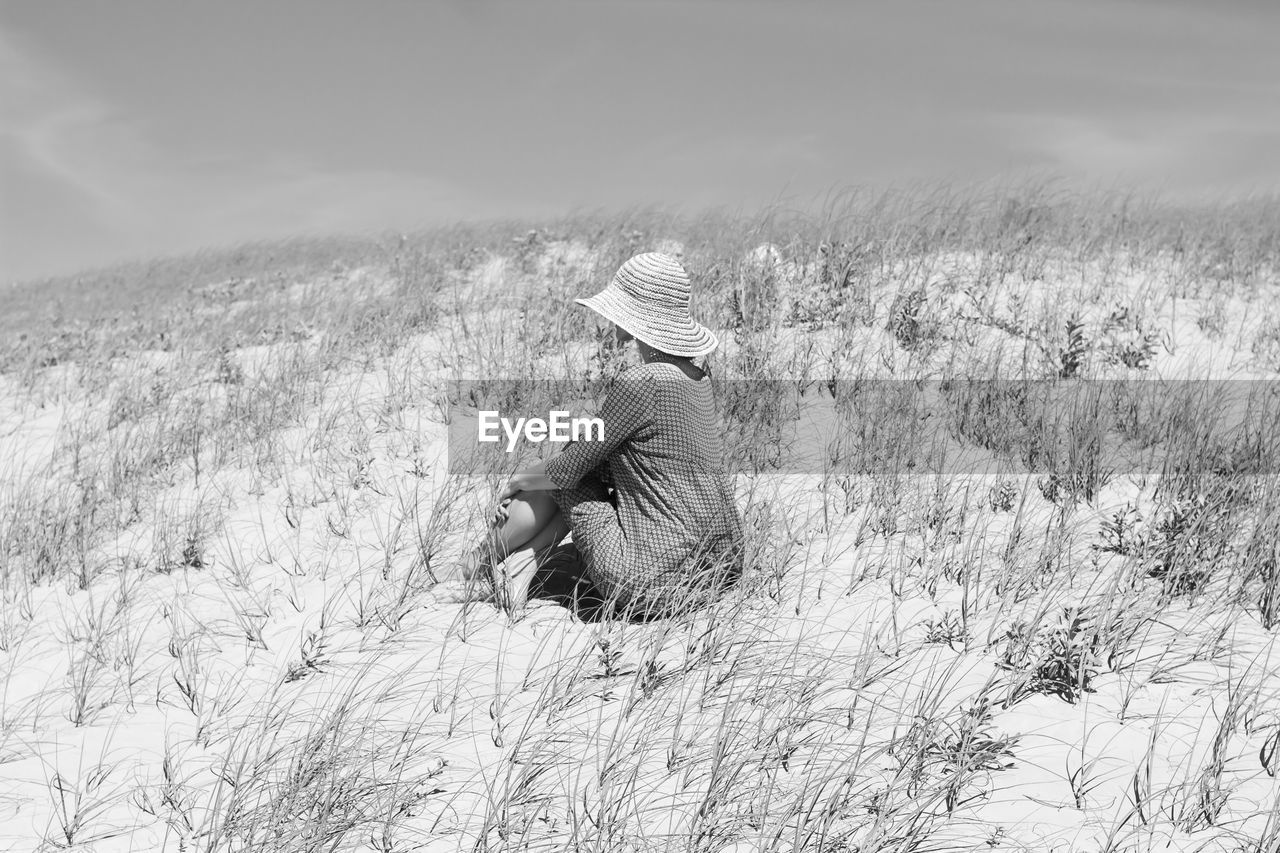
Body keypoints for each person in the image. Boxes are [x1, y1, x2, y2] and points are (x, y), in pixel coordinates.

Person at [465, 252, 745, 618]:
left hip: (646, 583)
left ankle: (476, 563)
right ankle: (521, 568)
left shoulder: (641, 382)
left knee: (570, 462)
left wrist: (516, 481)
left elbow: (568, 469)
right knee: (588, 457)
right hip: (717, 570)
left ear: (634, 317)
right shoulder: (698, 379)